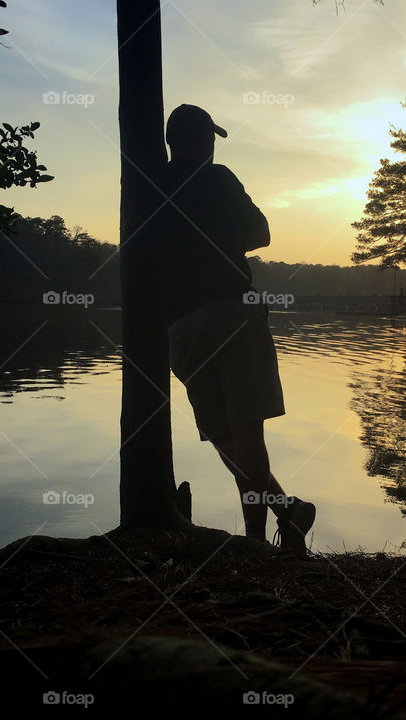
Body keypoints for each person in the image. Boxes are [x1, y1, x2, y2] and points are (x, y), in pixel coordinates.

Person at [156, 103, 315, 551]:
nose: (212, 146)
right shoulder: (219, 178)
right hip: (233, 313)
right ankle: (259, 538)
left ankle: (283, 515)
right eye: (210, 138)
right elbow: (261, 234)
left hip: (181, 325)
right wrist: (221, 235)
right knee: (245, 430)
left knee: (221, 432)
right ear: (202, 140)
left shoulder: (151, 185)